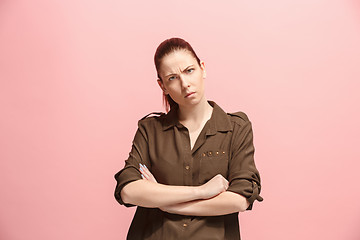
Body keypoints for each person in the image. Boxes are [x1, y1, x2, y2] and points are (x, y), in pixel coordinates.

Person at [114, 37, 263, 240]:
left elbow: (239, 200)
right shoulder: (150, 130)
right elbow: (129, 191)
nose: (185, 84)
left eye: (189, 71)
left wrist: (163, 201)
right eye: (172, 78)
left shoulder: (236, 127)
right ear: (163, 86)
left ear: (203, 68)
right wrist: (201, 191)